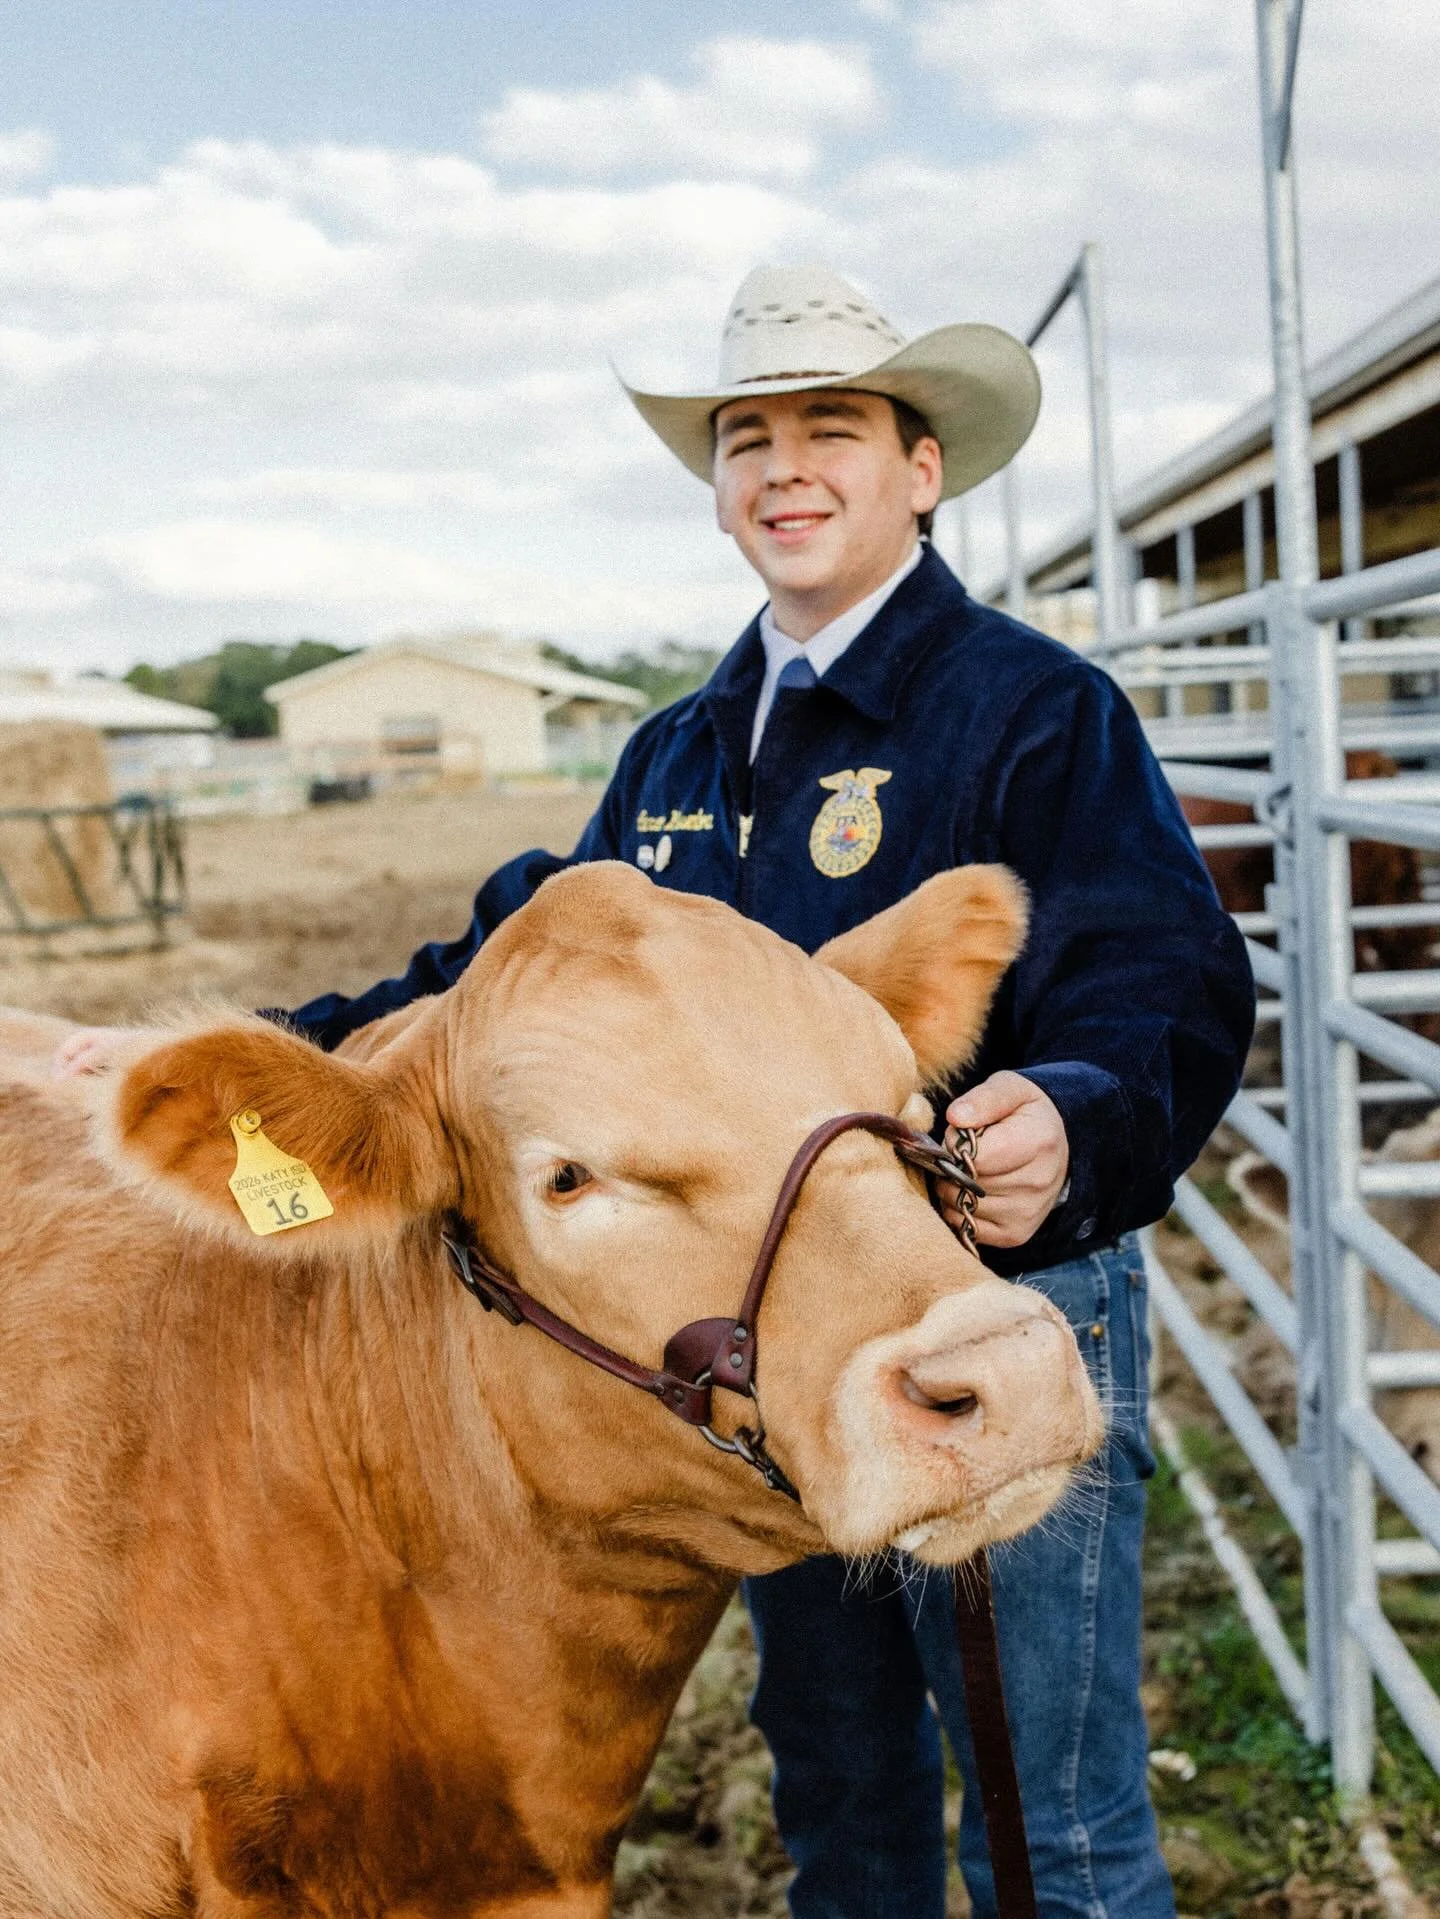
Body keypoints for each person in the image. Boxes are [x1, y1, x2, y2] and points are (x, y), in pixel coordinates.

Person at [59, 264, 1254, 1917]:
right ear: (718, 493)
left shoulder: (1037, 709)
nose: (785, 467)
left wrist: (1076, 1105)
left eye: (833, 426)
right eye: (747, 438)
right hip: (747, 1345)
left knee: (1051, 1804)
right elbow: (478, 995)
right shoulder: (680, 755)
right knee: (838, 1777)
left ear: (923, 468)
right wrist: (243, 1037)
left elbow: (1168, 972)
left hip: (984, 1294)